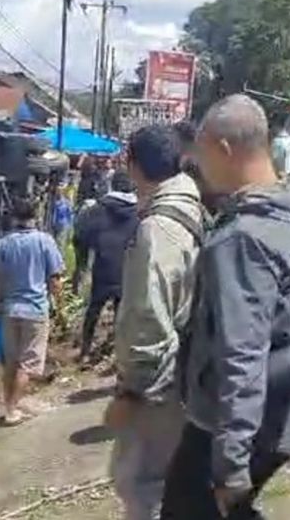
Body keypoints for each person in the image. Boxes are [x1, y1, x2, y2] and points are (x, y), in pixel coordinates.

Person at [161, 95, 290, 520]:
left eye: (200, 156)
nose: (197, 168)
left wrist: (231, 465)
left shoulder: (241, 238)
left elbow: (241, 354)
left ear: (223, 150)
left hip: (237, 420)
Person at [105, 124, 204, 520]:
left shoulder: (158, 227)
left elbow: (147, 318)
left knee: (141, 484)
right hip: (183, 375)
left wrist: (131, 393)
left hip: (160, 385)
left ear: (133, 165)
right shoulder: (191, 205)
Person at [0, 198, 66, 425]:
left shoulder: (4, 243)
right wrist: (59, 307)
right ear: (36, 216)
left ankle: (9, 405)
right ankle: (12, 410)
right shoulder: (45, 241)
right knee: (28, 364)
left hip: (9, 309)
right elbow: (55, 279)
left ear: (14, 218)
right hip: (35, 310)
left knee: (11, 363)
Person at [72, 170, 140, 362]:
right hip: (127, 269)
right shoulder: (140, 211)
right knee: (122, 313)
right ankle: (119, 353)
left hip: (103, 267)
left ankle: (85, 351)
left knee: (94, 310)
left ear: (113, 185)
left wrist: (83, 260)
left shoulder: (97, 209)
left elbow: (80, 233)